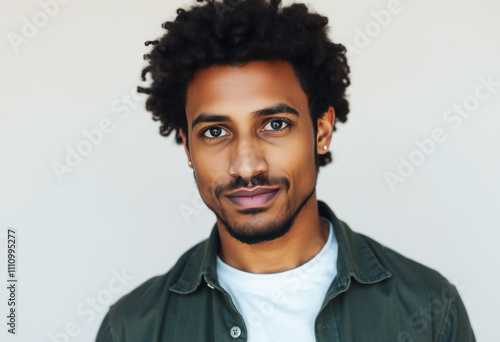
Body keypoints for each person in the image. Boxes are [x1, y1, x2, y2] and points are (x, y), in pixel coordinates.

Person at [96, 0, 475, 341]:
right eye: (215, 132)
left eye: (274, 124)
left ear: (321, 131)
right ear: (189, 147)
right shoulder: (133, 329)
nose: (246, 166)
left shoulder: (428, 308)